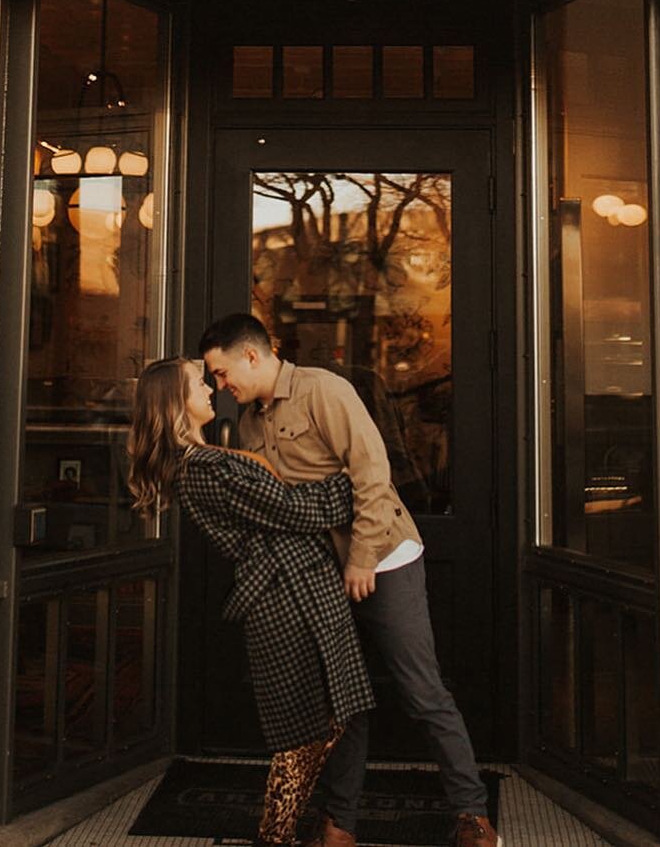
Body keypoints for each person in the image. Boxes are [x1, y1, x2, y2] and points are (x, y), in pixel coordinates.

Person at [200, 313, 500, 847]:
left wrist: (361, 558)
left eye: (222, 373)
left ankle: (471, 815)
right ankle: (340, 825)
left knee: (422, 691)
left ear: (251, 354)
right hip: (321, 581)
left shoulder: (323, 390)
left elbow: (371, 472)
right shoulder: (247, 425)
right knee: (345, 703)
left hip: (384, 559)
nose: (221, 386)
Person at [128, 356, 375, 847]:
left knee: (328, 720)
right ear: (175, 402)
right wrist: (358, 474)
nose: (207, 388)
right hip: (287, 600)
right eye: (197, 382)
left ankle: (318, 828)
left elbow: (285, 510)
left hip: (302, 590)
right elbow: (296, 509)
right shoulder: (204, 468)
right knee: (305, 731)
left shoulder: (209, 459)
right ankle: (277, 834)